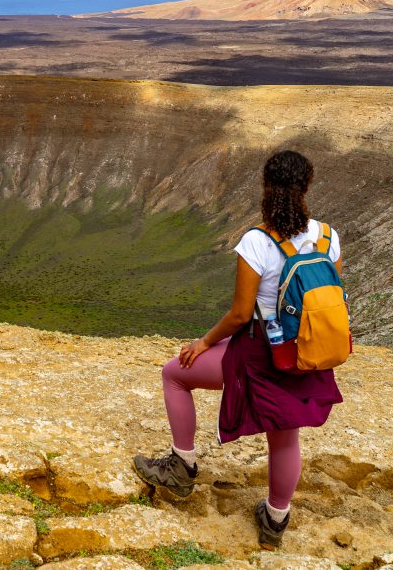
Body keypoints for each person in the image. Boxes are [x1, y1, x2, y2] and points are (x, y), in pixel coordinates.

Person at [132, 150, 344, 550]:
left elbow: (240, 314)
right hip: (306, 355)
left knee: (174, 374)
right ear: (307, 186)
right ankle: (275, 521)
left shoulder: (257, 241)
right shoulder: (329, 238)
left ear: (267, 187)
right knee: (285, 436)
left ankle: (181, 467)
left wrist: (204, 343)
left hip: (262, 357)